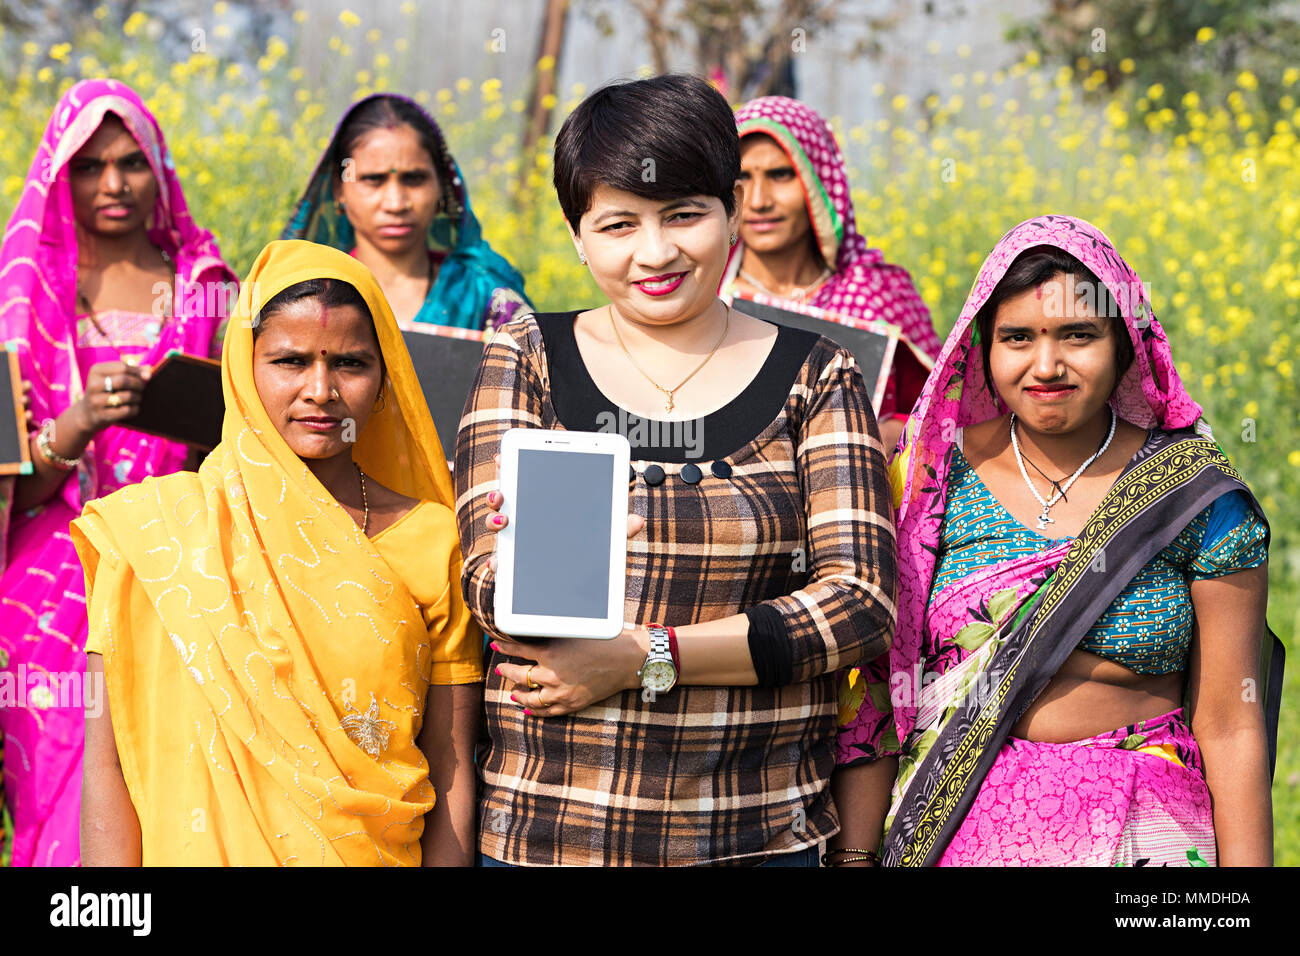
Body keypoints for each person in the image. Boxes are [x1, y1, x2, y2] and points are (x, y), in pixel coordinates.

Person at [455, 74, 897, 866]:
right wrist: (543, 568)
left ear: (731, 213)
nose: (655, 253)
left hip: (755, 837)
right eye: (618, 224)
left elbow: (858, 604)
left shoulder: (816, 374)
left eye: (685, 216)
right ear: (577, 235)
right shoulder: (528, 359)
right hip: (551, 836)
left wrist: (646, 657)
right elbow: (486, 588)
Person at [833, 214, 1273, 866]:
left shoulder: (1193, 497)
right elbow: (875, 690)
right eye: (1018, 337)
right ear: (981, 348)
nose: (1047, 365)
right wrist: (854, 856)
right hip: (954, 824)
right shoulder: (930, 480)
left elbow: (1231, 723)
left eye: (1078, 335)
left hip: (1141, 829)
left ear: (1124, 345)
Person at [73, 240, 482, 866]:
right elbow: (109, 766)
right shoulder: (153, 534)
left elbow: (452, 768)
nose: (320, 390)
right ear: (242, 369)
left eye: (349, 363)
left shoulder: (433, 537)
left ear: (383, 382)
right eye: (290, 361)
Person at [0, 78, 236, 867]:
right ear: (60, 175)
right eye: (90, 165)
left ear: (159, 168)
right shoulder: (22, 297)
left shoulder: (210, 286)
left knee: (167, 801)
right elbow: (12, 482)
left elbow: (246, 444)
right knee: (57, 808)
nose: (113, 183)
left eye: (132, 163)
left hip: (181, 580)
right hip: (47, 595)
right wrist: (77, 423)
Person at [725, 96, 944, 450]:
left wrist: (898, 432)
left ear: (819, 181)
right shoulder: (705, 300)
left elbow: (950, 415)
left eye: (781, 175)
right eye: (742, 178)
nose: (759, 200)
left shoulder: (878, 292)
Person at [283, 93, 531, 331]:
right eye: (373, 179)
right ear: (339, 189)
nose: (396, 203)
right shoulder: (299, 295)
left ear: (441, 187)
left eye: (414, 178)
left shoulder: (486, 297)